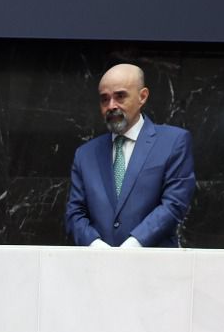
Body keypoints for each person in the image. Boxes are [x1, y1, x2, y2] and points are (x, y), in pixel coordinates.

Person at [65, 63, 196, 248]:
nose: (111, 106)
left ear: (142, 96)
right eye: (104, 99)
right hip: (99, 262)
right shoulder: (85, 154)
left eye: (120, 96)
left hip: (154, 261)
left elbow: (174, 204)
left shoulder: (173, 142)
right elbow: (75, 213)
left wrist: (133, 246)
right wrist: (96, 247)